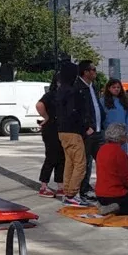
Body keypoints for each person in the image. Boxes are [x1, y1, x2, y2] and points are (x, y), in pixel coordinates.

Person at [54, 61, 91, 206]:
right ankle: (71, 194)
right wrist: (84, 127)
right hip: (73, 131)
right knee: (80, 164)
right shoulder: (72, 91)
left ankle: (67, 192)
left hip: (62, 131)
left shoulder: (60, 90)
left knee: (70, 163)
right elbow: (73, 113)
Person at [77, 61, 103, 200]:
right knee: (86, 162)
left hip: (99, 130)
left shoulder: (93, 86)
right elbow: (78, 111)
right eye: (93, 69)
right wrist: (86, 127)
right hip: (88, 132)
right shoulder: (78, 87)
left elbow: (96, 106)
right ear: (85, 72)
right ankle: (83, 190)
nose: (95, 72)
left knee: (103, 160)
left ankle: (103, 187)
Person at [35, 74, 65, 197]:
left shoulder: (64, 95)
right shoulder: (51, 95)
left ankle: (60, 185)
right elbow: (39, 105)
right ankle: (44, 186)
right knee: (52, 157)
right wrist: (46, 117)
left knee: (62, 157)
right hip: (51, 129)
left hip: (61, 129)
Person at [101, 79, 128, 154]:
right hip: (108, 136)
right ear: (108, 88)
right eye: (113, 87)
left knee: (121, 158)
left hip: (121, 137)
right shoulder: (102, 101)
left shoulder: (124, 101)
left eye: (118, 87)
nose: (116, 89)